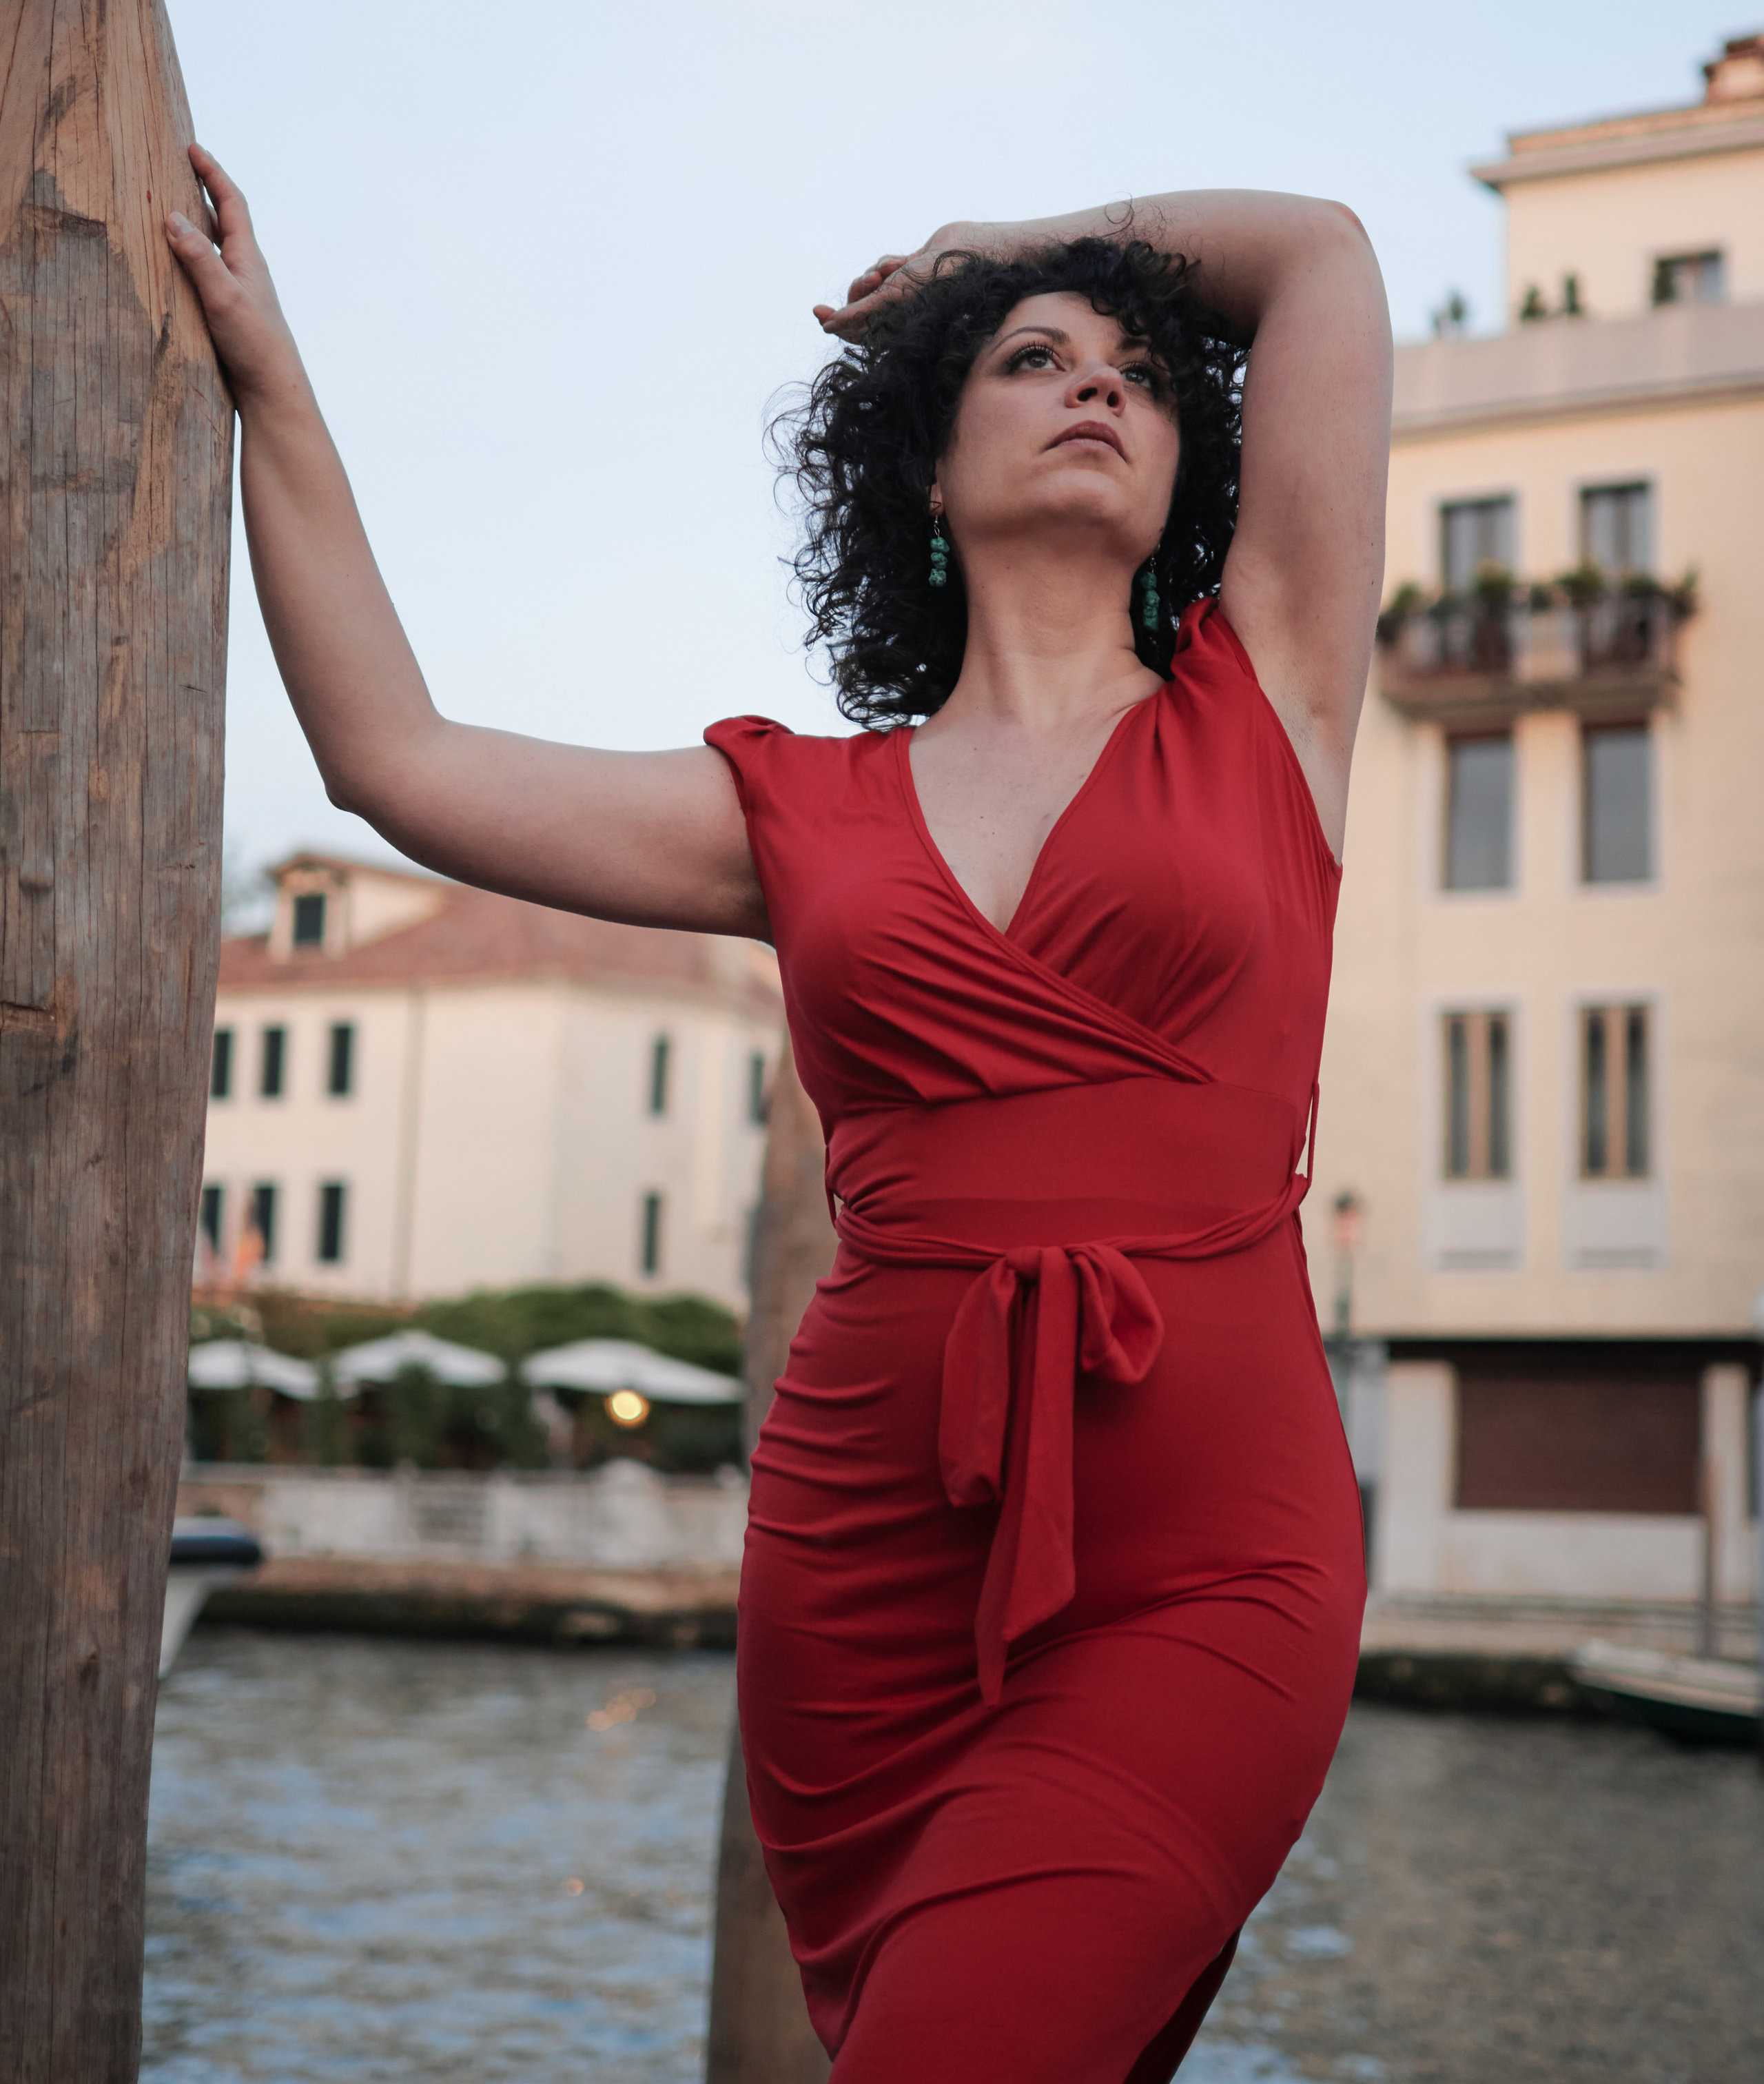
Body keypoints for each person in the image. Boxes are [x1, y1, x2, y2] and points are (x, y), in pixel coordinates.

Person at [169, 159, 1391, 2081]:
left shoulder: (1279, 694)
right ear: (922, 458)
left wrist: (1007, 252)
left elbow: (1315, 252)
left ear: (1186, 470)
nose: (1099, 384)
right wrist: (273, 375)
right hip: (862, 1571)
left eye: (1145, 373)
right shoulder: (794, 810)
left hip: (1209, 1567)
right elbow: (395, 759)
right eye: (1031, 358)